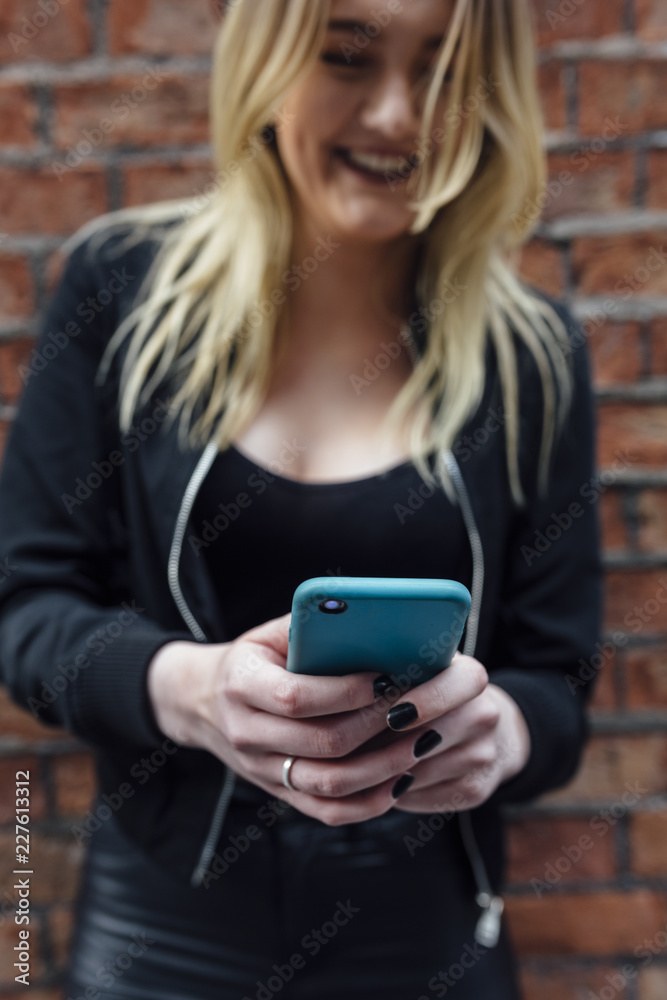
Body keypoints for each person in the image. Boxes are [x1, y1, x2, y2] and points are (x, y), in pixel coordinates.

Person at [0, 0, 603, 997]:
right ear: (267, 57)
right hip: (164, 923)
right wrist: (192, 692)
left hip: (425, 932)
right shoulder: (120, 295)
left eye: (445, 70)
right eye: (348, 58)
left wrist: (497, 730)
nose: (398, 117)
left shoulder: (529, 355)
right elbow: (25, 607)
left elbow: (558, 681)